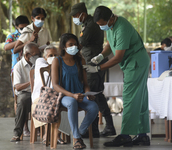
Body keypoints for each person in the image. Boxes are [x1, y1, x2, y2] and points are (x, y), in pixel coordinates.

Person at [83, 6, 150, 147]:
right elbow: (110, 44)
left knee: (129, 97)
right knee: (140, 97)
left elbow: (118, 57)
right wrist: (101, 55)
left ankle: (125, 135)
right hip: (135, 62)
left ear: (111, 18)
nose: (101, 27)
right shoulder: (112, 27)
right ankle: (142, 135)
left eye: (102, 24)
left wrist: (98, 68)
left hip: (136, 62)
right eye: (99, 25)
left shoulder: (122, 27)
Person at [70, 2, 116, 138]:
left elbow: (80, 44)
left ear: (82, 14)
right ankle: (108, 126)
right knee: (98, 94)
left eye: (75, 16)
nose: (74, 18)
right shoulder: (89, 23)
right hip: (94, 62)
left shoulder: (90, 25)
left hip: (93, 64)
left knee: (91, 93)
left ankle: (94, 129)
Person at [51, 33, 98, 149]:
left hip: (80, 94)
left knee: (94, 107)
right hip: (64, 96)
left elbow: (85, 84)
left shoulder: (80, 61)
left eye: (75, 44)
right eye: (70, 44)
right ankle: (76, 139)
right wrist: (72, 95)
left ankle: (80, 131)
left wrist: (88, 94)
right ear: (63, 46)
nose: (74, 47)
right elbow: (55, 85)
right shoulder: (57, 61)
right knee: (72, 102)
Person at [4, 15, 30, 136]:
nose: (24, 29)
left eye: (26, 27)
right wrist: (22, 41)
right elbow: (6, 47)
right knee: (18, 98)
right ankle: (23, 127)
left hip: (30, 67)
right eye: (21, 28)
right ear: (16, 27)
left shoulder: (32, 33)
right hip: (17, 69)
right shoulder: (12, 36)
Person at [10, 42, 40, 142]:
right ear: (27, 55)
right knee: (23, 100)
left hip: (37, 92)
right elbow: (17, 87)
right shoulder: (18, 66)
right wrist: (31, 82)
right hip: (25, 92)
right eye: (35, 55)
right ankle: (17, 133)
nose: (37, 57)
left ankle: (46, 132)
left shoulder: (39, 64)